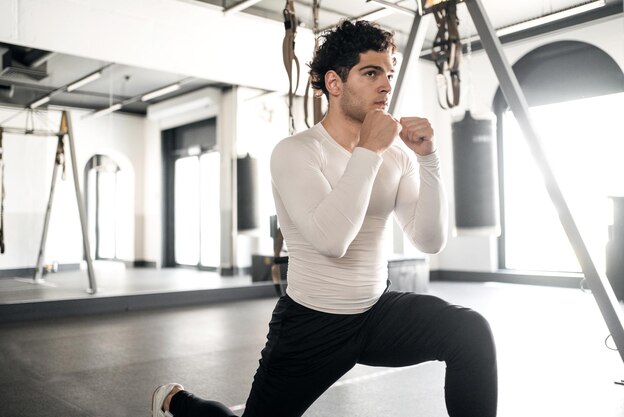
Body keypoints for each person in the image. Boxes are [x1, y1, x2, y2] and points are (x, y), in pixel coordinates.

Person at [152, 19, 498, 417]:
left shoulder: (396, 155)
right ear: (334, 83)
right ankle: (177, 401)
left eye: (388, 73)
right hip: (311, 324)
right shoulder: (297, 152)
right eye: (371, 73)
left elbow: (430, 240)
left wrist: (428, 159)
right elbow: (332, 241)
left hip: (376, 312)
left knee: (471, 332)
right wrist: (367, 151)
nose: (385, 85)